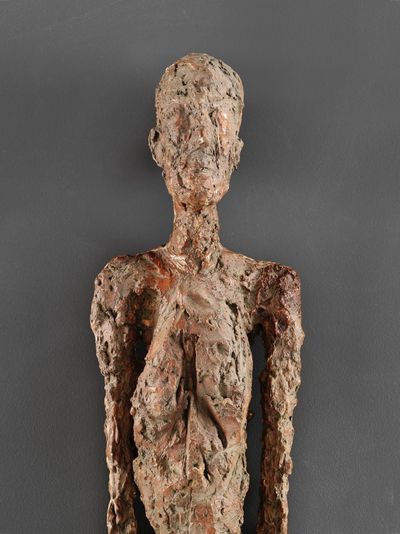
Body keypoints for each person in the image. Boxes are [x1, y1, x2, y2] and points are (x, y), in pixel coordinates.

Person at [90, 52, 304, 534]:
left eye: (216, 122)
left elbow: (276, 489)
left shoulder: (269, 289)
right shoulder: (126, 284)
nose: (202, 142)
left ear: (235, 151)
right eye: (184, 122)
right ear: (158, 145)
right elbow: (117, 472)